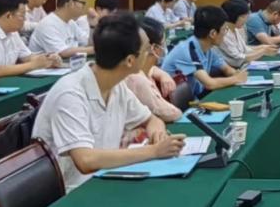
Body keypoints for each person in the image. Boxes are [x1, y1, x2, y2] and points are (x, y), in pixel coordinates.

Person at [32, 13, 185, 190]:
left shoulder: (117, 85)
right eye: (146, 50)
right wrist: (154, 151)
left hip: (103, 179)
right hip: (72, 192)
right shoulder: (70, 93)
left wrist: (157, 135)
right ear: (130, 60)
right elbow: (86, 160)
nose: (151, 54)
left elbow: (152, 120)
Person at [161, 6, 249, 98]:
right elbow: (209, 84)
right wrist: (236, 79)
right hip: (175, 102)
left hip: (194, 96)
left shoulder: (208, 47)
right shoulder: (189, 50)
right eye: (224, 29)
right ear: (213, 34)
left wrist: (238, 74)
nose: (225, 33)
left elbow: (226, 69)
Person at [124, 18, 183, 123]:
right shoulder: (137, 79)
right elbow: (170, 113)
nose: (165, 46)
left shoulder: (142, 69)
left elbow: (150, 69)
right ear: (154, 48)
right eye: (163, 42)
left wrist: (162, 74)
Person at [29, 0, 95, 59]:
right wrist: (96, 49)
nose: (84, 6)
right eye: (82, 3)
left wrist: (92, 26)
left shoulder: (70, 22)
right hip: (48, 65)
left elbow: (86, 42)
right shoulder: (48, 24)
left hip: (68, 63)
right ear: (71, 3)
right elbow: (63, 52)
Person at [218, 0, 278, 67]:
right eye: (243, 17)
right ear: (234, 15)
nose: (246, 20)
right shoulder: (223, 34)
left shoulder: (235, 29)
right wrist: (263, 51)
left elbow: (245, 49)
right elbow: (238, 59)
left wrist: (263, 47)